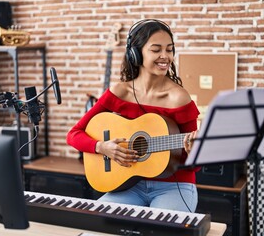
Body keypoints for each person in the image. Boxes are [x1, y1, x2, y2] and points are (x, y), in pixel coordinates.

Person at [67, 19, 200, 213]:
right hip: (128, 186)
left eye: (169, 49)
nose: (165, 56)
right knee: (95, 229)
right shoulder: (119, 92)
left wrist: (194, 151)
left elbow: (193, 167)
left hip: (174, 187)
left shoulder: (179, 98)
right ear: (135, 54)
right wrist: (102, 147)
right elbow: (74, 134)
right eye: (156, 49)